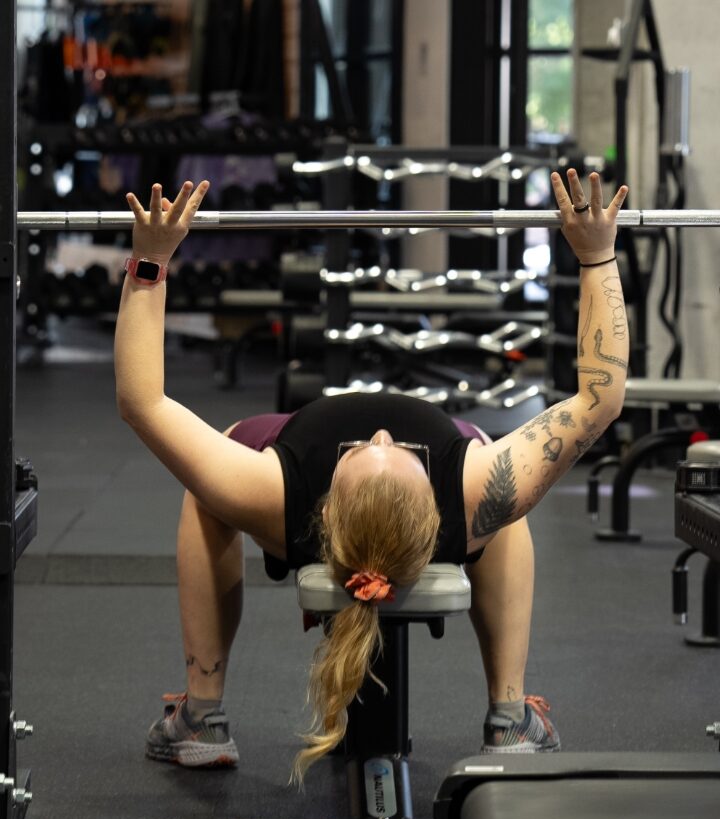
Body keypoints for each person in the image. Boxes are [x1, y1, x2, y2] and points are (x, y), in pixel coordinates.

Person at [115, 169, 629, 779]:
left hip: (284, 454)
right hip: (470, 497)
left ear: (325, 510)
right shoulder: (470, 491)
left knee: (208, 488)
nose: (381, 433)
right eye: (390, 448)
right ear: (436, 513)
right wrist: (597, 257)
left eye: (366, 448)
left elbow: (142, 401)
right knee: (506, 506)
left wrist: (149, 262)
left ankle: (201, 713)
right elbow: (601, 400)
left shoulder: (275, 493)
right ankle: (510, 717)